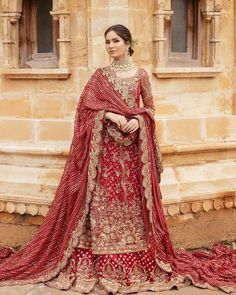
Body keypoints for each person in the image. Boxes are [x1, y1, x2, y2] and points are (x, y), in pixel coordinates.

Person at [0, 24, 236, 295]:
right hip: (104, 155)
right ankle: (98, 262)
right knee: (101, 204)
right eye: (107, 42)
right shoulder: (100, 76)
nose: (110, 46)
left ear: (127, 43)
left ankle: (138, 260)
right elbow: (85, 110)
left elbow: (150, 109)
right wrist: (108, 115)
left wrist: (138, 118)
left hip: (132, 156)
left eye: (115, 41)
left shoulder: (141, 75)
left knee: (131, 204)